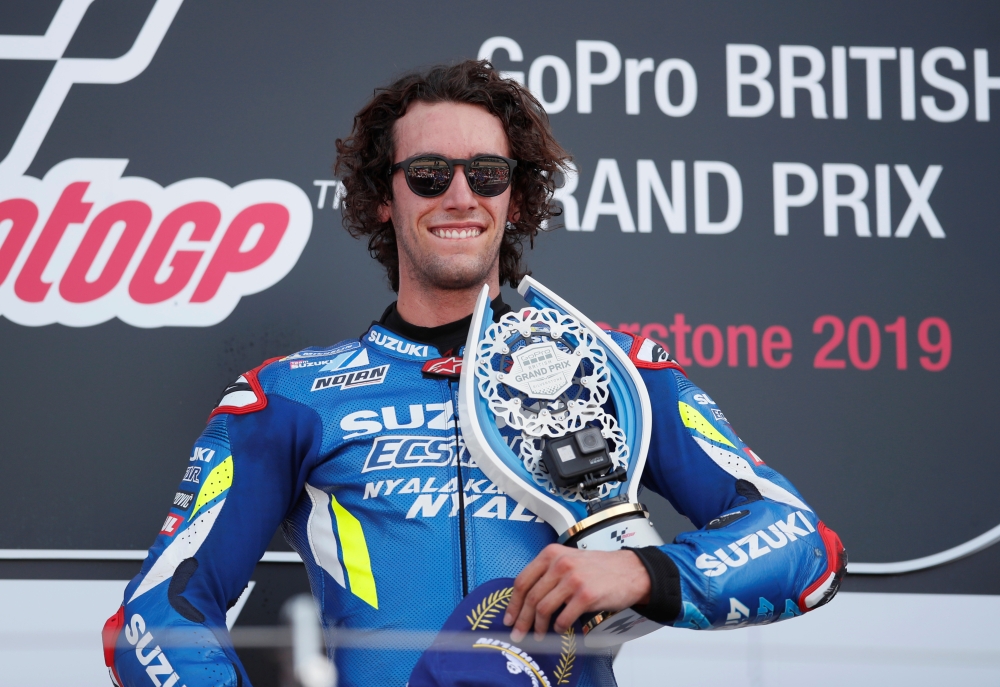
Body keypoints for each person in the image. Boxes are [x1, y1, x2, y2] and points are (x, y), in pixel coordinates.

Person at [102, 60, 845, 687]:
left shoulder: (612, 369)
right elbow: (152, 620)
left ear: (514, 197)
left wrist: (644, 572)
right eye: (428, 174)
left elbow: (802, 544)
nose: (460, 195)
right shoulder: (290, 397)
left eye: (487, 173)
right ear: (380, 198)